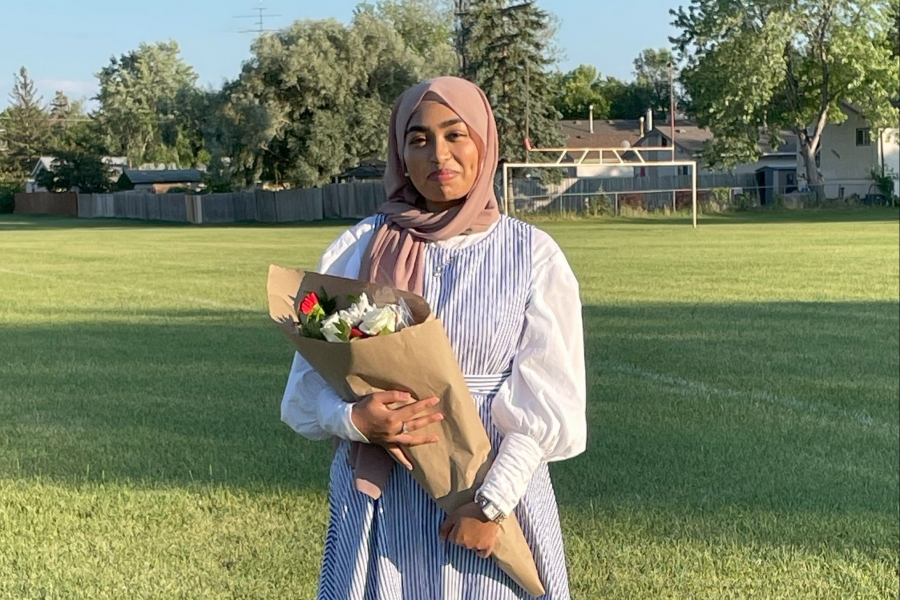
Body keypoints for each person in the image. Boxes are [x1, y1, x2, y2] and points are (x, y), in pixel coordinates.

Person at [281, 76, 586, 600]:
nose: (437, 154)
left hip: (493, 483)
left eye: (455, 134)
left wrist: (489, 506)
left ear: (483, 144)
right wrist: (355, 420)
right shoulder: (359, 247)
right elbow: (305, 394)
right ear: (400, 152)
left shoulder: (533, 255)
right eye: (418, 139)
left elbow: (551, 405)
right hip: (386, 492)